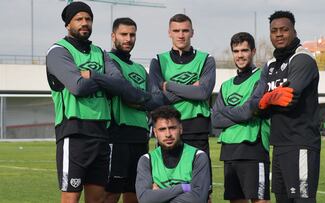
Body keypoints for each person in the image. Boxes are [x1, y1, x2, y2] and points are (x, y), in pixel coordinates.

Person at [46, 2, 150, 202]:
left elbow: (120, 84)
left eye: (88, 19)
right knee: (71, 196)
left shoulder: (101, 53)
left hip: (102, 134)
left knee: (97, 199)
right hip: (74, 133)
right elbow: (78, 87)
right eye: (79, 19)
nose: (84, 23)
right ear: (68, 24)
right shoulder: (58, 51)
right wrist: (105, 81)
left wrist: (93, 75)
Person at [257, 11, 321, 203]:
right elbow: (256, 107)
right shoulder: (270, 66)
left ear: (294, 31)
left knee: (302, 200)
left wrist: (266, 100)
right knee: (282, 200)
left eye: (284, 30)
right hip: (279, 145)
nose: (279, 34)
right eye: (274, 31)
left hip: (301, 144)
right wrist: (267, 101)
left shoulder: (302, 59)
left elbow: (289, 98)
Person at [149, 13, 215, 193]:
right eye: (176, 31)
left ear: (192, 32)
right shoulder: (158, 60)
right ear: (169, 33)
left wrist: (169, 86)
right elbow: (157, 99)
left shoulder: (206, 59)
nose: (181, 35)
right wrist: (190, 89)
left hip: (197, 129)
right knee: (165, 186)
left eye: (185, 30)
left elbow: (203, 92)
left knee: (201, 190)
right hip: (167, 129)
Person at [105, 17, 163, 203]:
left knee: (136, 192)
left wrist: (137, 99)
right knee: (111, 193)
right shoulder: (108, 60)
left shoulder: (139, 69)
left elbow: (157, 101)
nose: (128, 39)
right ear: (113, 36)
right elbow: (125, 93)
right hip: (117, 136)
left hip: (140, 136)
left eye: (132, 35)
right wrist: (140, 98)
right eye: (124, 34)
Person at [212, 32, 270, 203]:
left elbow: (248, 112)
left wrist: (230, 111)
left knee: (259, 200)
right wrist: (243, 113)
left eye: (244, 50)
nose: (240, 55)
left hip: (253, 149)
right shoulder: (226, 85)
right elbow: (215, 120)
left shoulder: (261, 78)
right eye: (236, 51)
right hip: (229, 151)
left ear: (253, 52)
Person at [135, 106, 211, 203]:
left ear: (180, 129)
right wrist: (184, 187)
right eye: (162, 129)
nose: (168, 134)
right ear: (155, 132)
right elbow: (145, 199)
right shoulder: (146, 160)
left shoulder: (198, 156)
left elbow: (198, 198)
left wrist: (159, 196)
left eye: (172, 128)